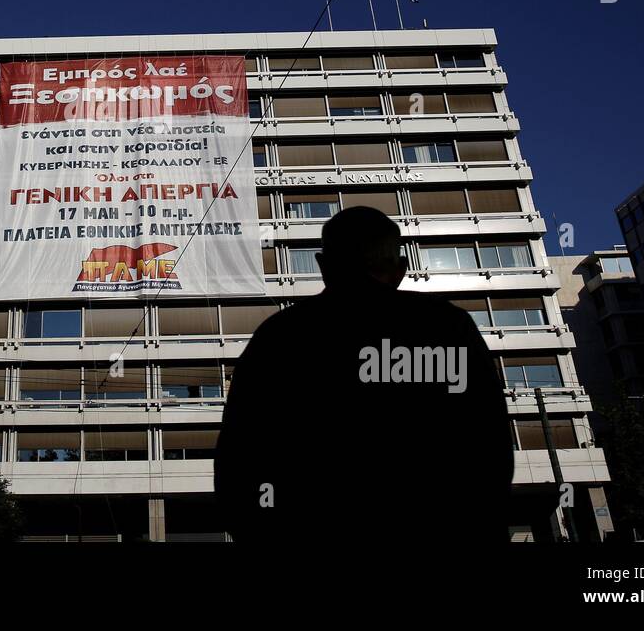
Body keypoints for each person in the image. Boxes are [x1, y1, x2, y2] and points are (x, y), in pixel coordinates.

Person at [214, 206, 512, 544]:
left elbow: (239, 461)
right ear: (400, 269)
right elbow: (490, 447)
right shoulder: (448, 326)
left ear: (323, 267)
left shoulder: (279, 337)